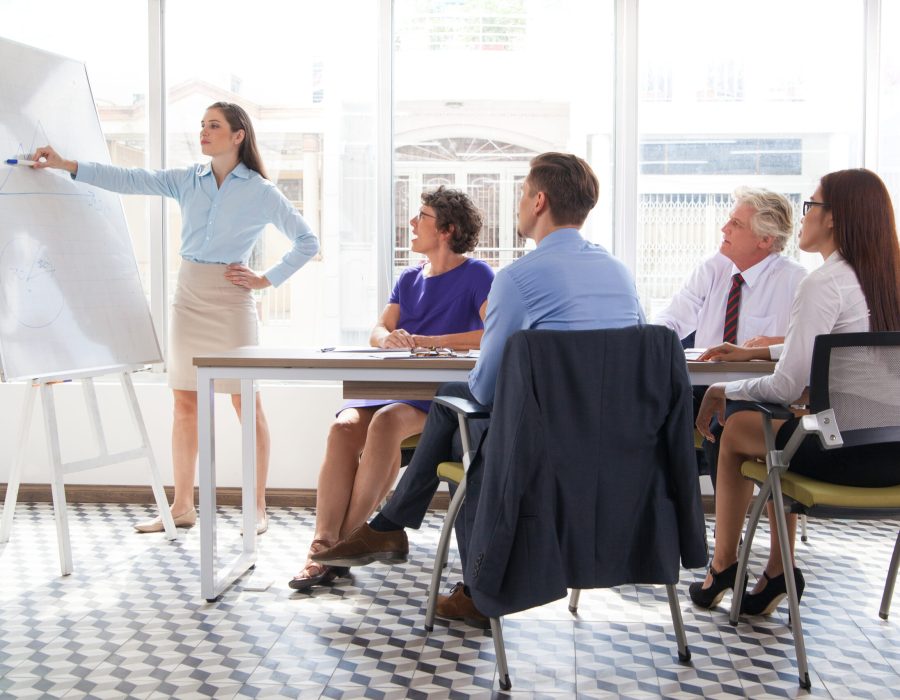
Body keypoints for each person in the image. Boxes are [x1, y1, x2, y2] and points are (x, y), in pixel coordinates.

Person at [312, 152, 645, 625]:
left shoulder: (517, 279)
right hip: (613, 446)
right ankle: (389, 528)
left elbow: (485, 389)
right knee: (450, 409)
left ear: (539, 201)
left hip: (535, 449)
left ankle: (399, 531)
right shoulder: (621, 276)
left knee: (464, 423)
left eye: (522, 193)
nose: (519, 203)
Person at [31, 102, 319, 535]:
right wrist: (65, 164)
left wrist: (266, 279)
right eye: (202, 125)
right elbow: (129, 179)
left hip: (232, 301)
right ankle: (182, 505)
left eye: (214, 126)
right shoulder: (189, 179)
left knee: (246, 402)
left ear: (238, 135)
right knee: (184, 402)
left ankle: (257, 508)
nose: (203, 132)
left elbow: (306, 241)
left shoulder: (260, 191)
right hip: (188, 296)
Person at [690, 168, 900, 615]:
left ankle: (724, 565)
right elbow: (839, 347)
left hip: (838, 456)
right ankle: (774, 572)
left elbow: (786, 384)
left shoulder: (823, 283)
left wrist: (725, 389)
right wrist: (763, 354)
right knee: (766, 424)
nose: (803, 218)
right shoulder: (886, 280)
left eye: (811, 206)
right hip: (892, 459)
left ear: (834, 218)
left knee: (736, 425)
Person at [289, 187, 493, 590]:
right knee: (343, 428)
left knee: (385, 422)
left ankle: (341, 548)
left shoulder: (478, 275)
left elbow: (491, 332)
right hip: (392, 385)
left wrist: (431, 341)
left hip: (436, 395)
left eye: (422, 217)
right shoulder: (409, 277)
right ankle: (324, 543)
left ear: (448, 229)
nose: (413, 224)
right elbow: (378, 329)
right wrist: (390, 340)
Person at [654, 187, 806, 487]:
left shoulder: (796, 281)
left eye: (736, 223)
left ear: (765, 240)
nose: (725, 228)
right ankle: (670, 517)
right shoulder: (713, 268)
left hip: (758, 394)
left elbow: (809, 346)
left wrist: (775, 343)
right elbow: (671, 319)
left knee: (724, 424)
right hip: (703, 387)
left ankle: (724, 529)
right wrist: (649, 341)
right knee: (651, 409)